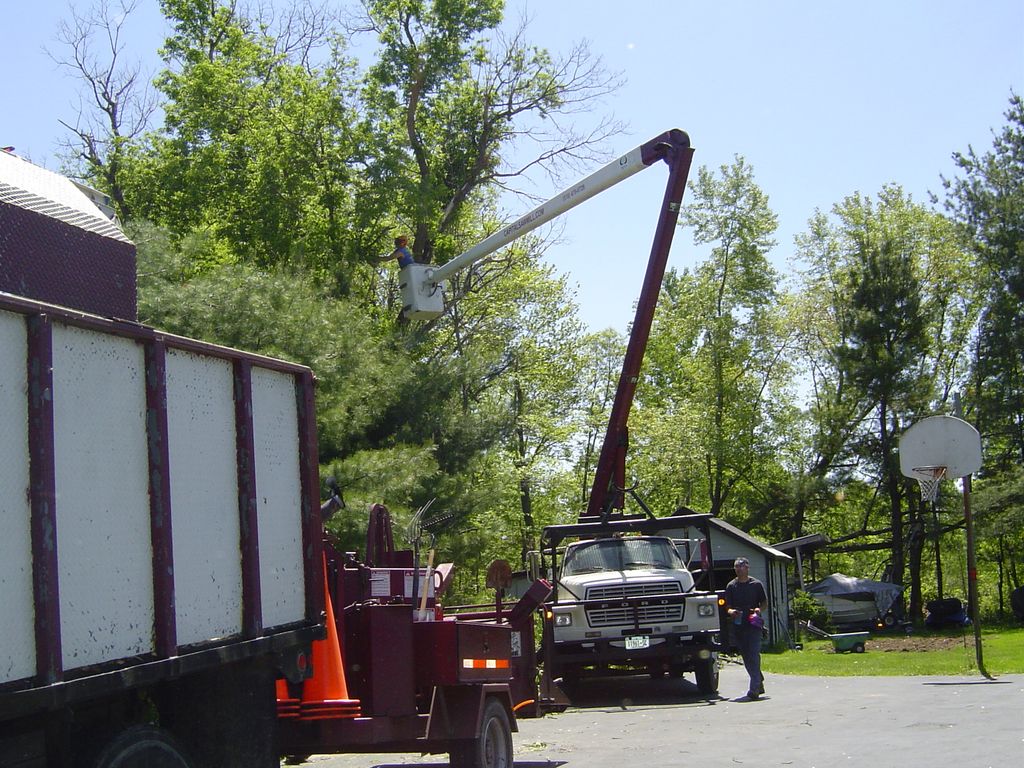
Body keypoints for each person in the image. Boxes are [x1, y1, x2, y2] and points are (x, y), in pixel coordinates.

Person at [724, 556, 767, 700]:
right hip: (738, 625)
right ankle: (758, 680)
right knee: (747, 656)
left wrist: (758, 610)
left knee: (754, 654)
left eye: (742, 566)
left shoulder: (756, 584)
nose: (739, 569)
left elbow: (764, 603)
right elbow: (727, 607)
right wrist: (731, 612)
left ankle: (754, 689)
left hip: (753, 624)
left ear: (748, 568)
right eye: (737, 566)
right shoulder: (731, 586)